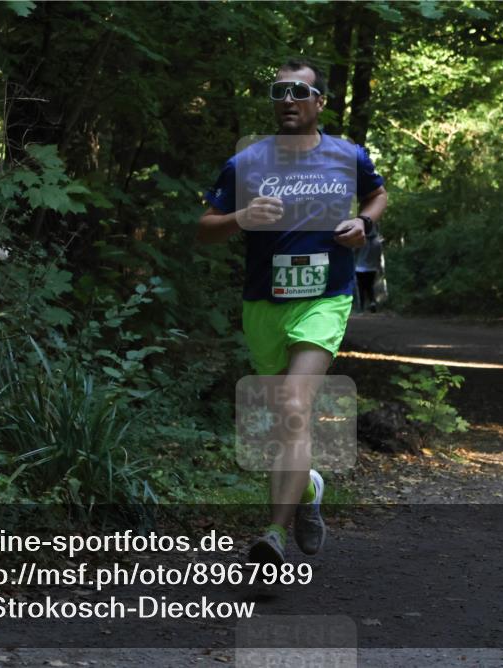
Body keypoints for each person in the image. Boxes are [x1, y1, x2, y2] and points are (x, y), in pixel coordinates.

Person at [197, 58, 387, 565]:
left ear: (319, 101)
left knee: (296, 407)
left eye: (298, 93)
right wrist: (239, 216)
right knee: (286, 422)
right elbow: (205, 227)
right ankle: (307, 490)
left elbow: (378, 193)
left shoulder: (347, 155)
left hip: (326, 297)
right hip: (264, 303)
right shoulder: (247, 163)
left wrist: (364, 224)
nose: (287, 100)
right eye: (278, 92)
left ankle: (272, 536)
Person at [354, 222, 383, 312]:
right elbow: (379, 257)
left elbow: (355, 252)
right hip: (372, 268)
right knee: (370, 287)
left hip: (360, 268)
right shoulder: (378, 243)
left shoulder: (361, 240)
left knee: (361, 288)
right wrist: (380, 268)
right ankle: (372, 303)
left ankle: (361, 307)